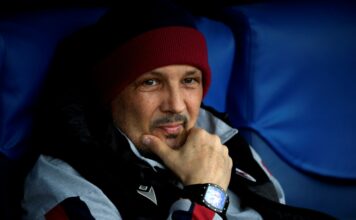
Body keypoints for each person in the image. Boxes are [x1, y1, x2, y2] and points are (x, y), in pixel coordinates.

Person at [21, 1, 335, 219]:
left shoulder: (220, 139)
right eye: (150, 83)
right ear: (112, 93)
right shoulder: (65, 183)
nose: (175, 105)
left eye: (189, 80)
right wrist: (206, 193)